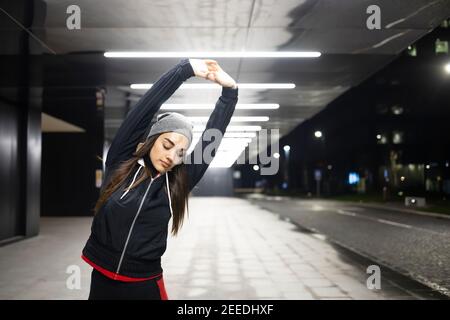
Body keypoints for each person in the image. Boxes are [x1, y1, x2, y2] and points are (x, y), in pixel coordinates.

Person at [81, 58, 238, 299]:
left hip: (144, 284)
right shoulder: (121, 161)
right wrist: (185, 70)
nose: (171, 156)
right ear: (153, 139)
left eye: (180, 153)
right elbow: (148, 105)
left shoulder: (175, 182)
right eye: (167, 144)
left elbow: (211, 139)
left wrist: (230, 93)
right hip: (102, 279)